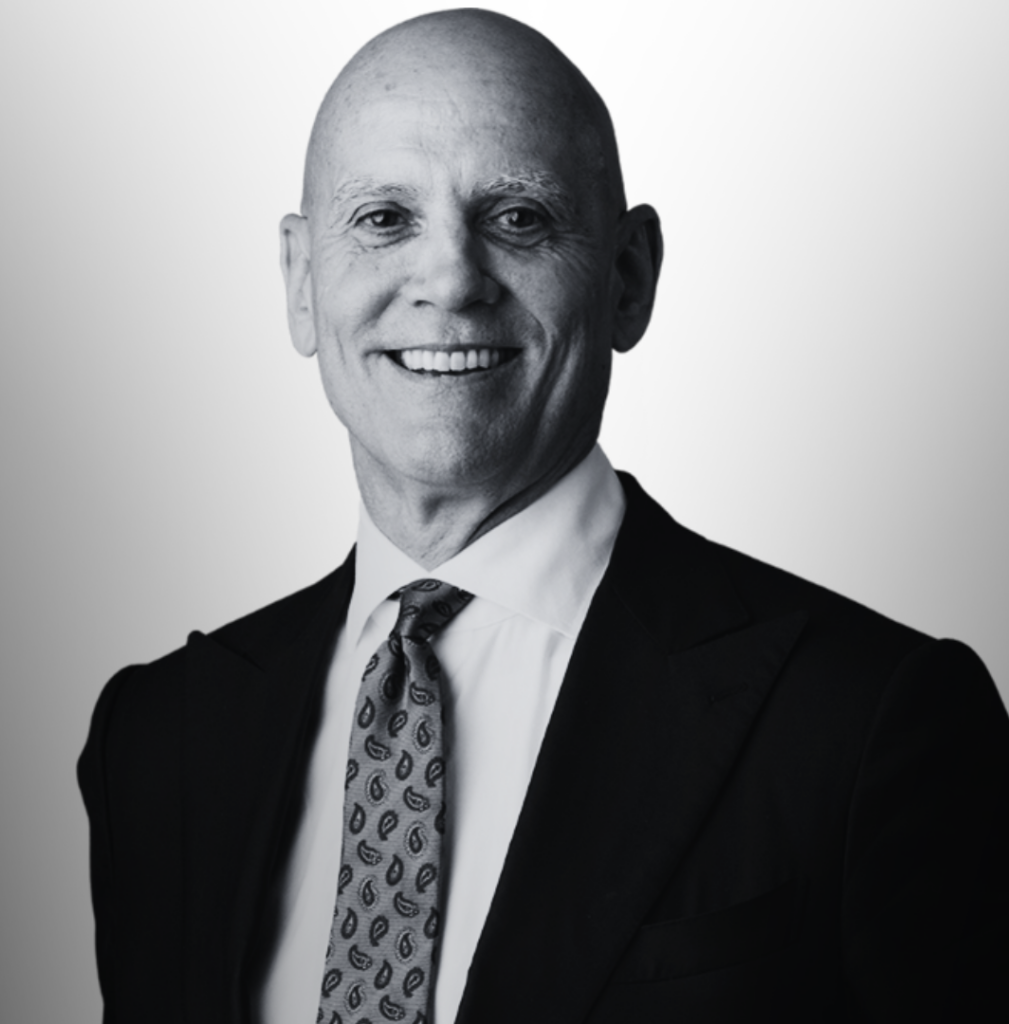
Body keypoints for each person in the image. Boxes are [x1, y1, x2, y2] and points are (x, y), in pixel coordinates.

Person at [78, 9, 1009, 1024]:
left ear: (627, 278)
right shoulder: (160, 741)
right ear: (302, 283)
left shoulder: (869, 721)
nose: (447, 280)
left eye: (517, 217)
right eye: (384, 218)